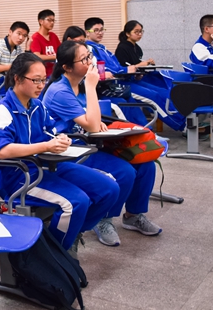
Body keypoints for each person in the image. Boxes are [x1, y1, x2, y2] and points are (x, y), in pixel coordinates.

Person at [0, 52, 119, 251]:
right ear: (17, 78)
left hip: (47, 166)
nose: (41, 85)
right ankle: (56, 253)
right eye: (35, 80)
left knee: (109, 188)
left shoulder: (37, 106)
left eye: (43, 80)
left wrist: (61, 139)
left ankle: (71, 235)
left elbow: (50, 133)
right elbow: (3, 151)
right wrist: (46, 146)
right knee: (76, 202)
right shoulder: (3, 110)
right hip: (19, 175)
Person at [42, 41, 161, 246]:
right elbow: (92, 124)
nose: (91, 62)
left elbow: (93, 121)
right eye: (84, 59)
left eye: (89, 56)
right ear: (67, 67)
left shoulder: (80, 85)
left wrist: (98, 121)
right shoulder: (60, 91)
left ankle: (133, 216)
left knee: (145, 164)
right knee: (125, 172)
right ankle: (103, 219)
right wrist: (91, 86)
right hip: (71, 151)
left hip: (91, 143)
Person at [83, 17, 179, 129]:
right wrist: (127, 70)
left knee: (160, 91)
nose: (100, 33)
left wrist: (132, 72)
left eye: (102, 30)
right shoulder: (89, 49)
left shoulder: (103, 49)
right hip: (111, 86)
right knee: (153, 96)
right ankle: (180, 124)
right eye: (96, 30)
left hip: (123, 82)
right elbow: (103, 69)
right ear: (87, 32)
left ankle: (147, 131)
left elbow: (117, 67)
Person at [0, 21, 29, 94]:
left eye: (24, 36)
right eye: (19, 33)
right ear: (10, 32)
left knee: (30, 87)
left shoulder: (18, 48)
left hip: (10, 79)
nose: (21, 38)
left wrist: (27, 48)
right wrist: (13, 67)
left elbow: (23, 65)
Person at [29, 9, 60, 77]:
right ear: (41, 21)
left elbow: (61, 50)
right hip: (45, 73)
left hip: (57, 71)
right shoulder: (35, 37)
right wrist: (56, 57)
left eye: (53, 20)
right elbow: (37, 56)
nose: (52, 23)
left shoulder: (53, 36)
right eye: (49, 20)